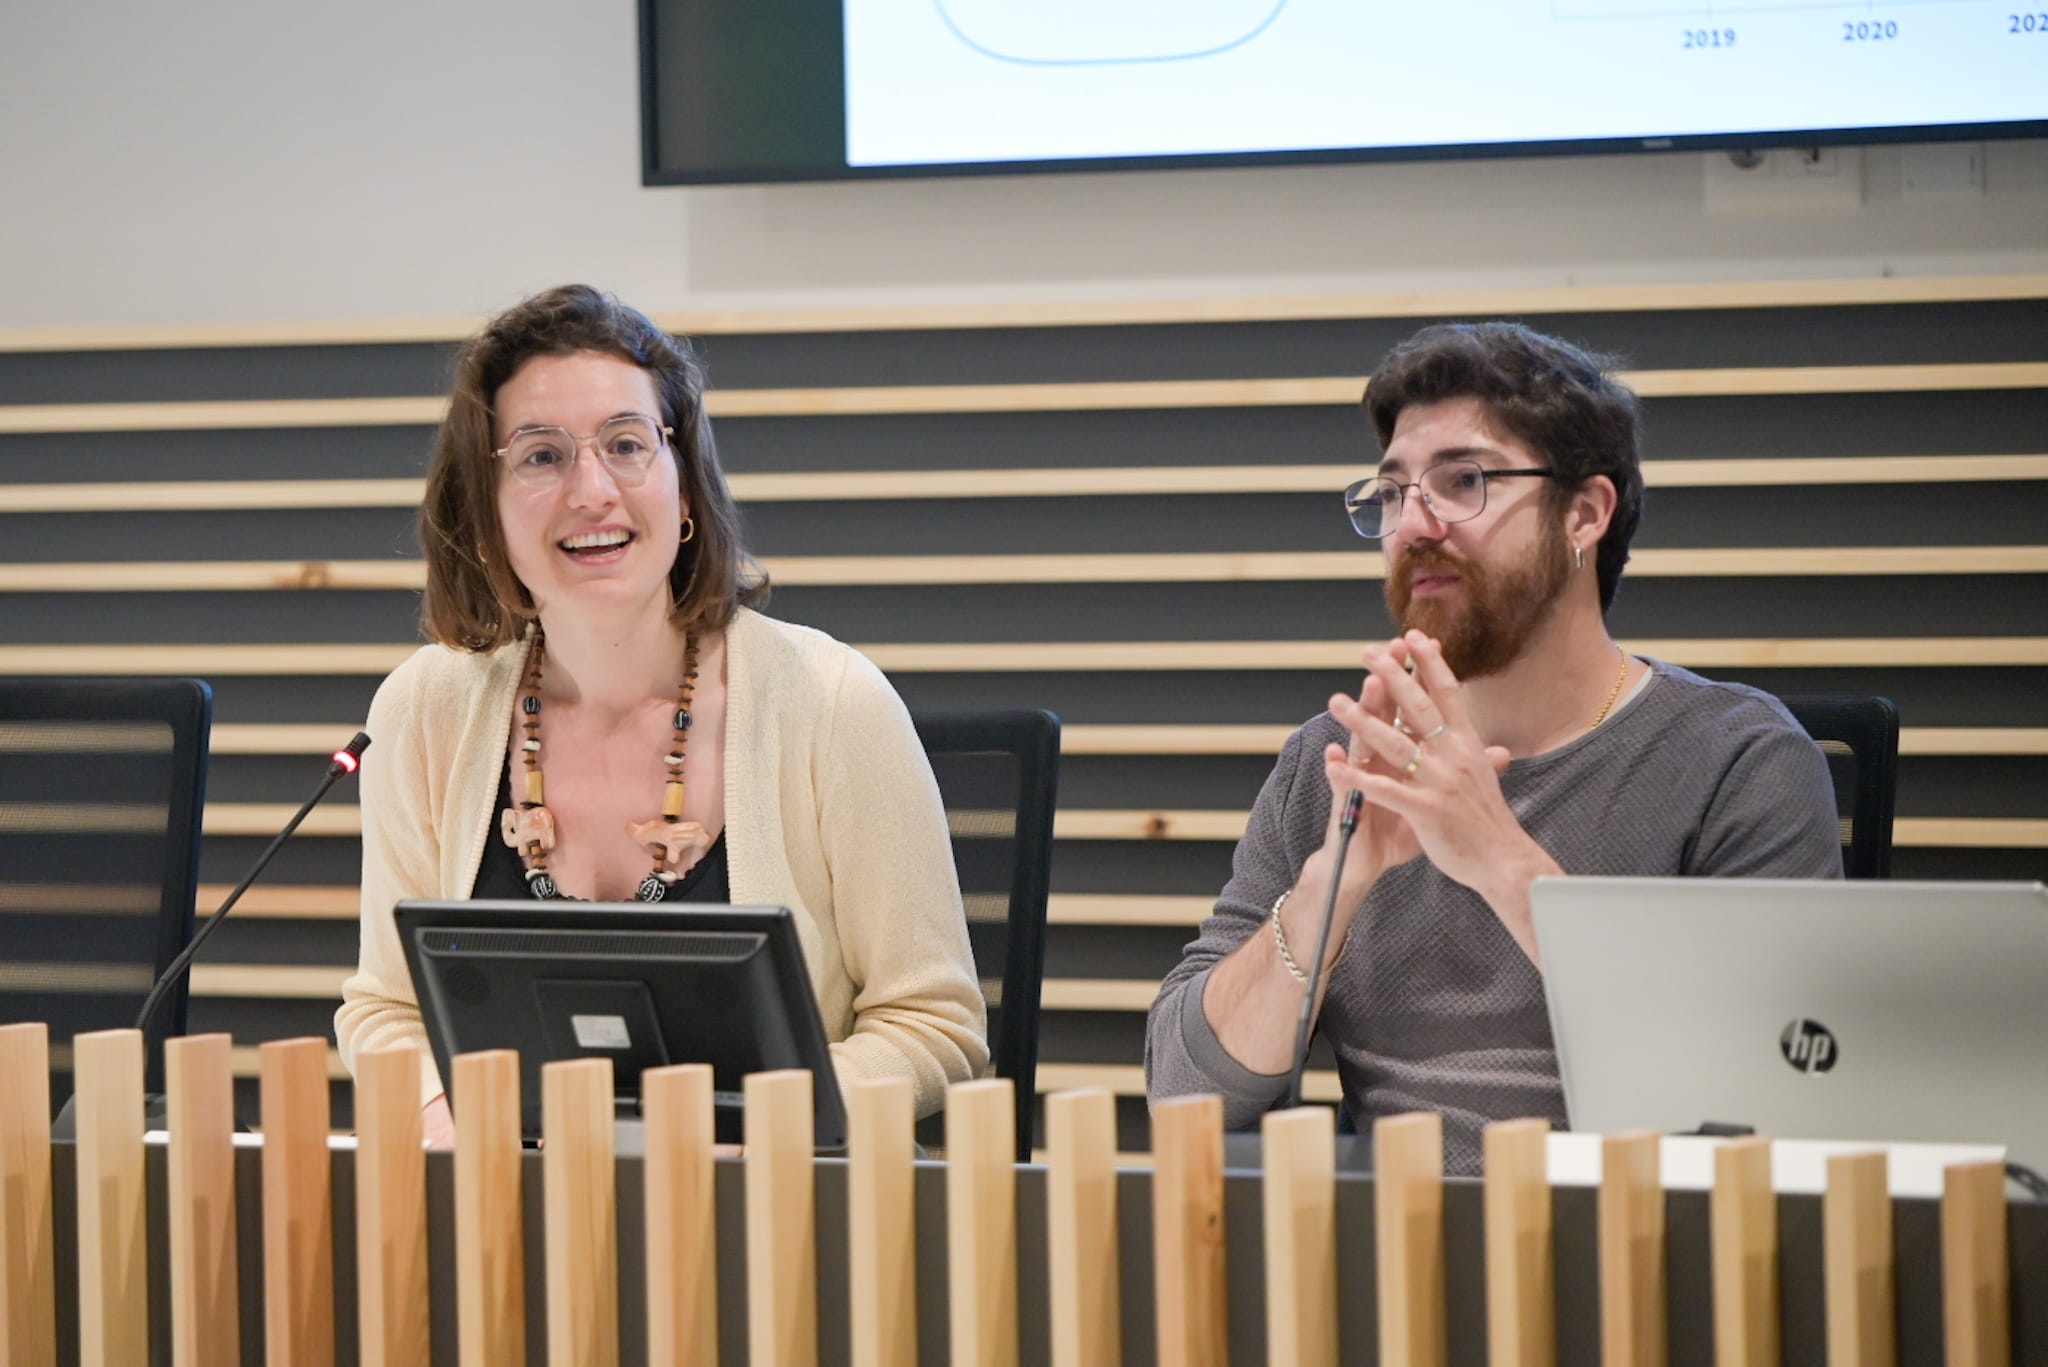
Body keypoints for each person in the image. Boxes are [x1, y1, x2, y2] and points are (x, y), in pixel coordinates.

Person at [1144, 322, 1842, 1173]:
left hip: (1641, 1252)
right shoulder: (1335, 758)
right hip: (1384, 1251)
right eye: (1394, 492)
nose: (1413, 522)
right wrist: (1331, 884)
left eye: (1463, 480)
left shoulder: (1738, 760)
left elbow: (1776, 1083)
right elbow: (1182, 1091)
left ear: (1584, 513)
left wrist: (1499, 856)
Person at [337, 285, 988, 1145]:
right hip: (505, 1226)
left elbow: (934, 1027)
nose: (592, 488)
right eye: (540, 456)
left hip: (777, 1224)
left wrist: (731, 1131)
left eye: (626, 444)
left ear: (684, 492)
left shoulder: (834, 702)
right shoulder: (422, 711)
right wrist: (437, 1113)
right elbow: (385, 1008)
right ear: (484, 510)